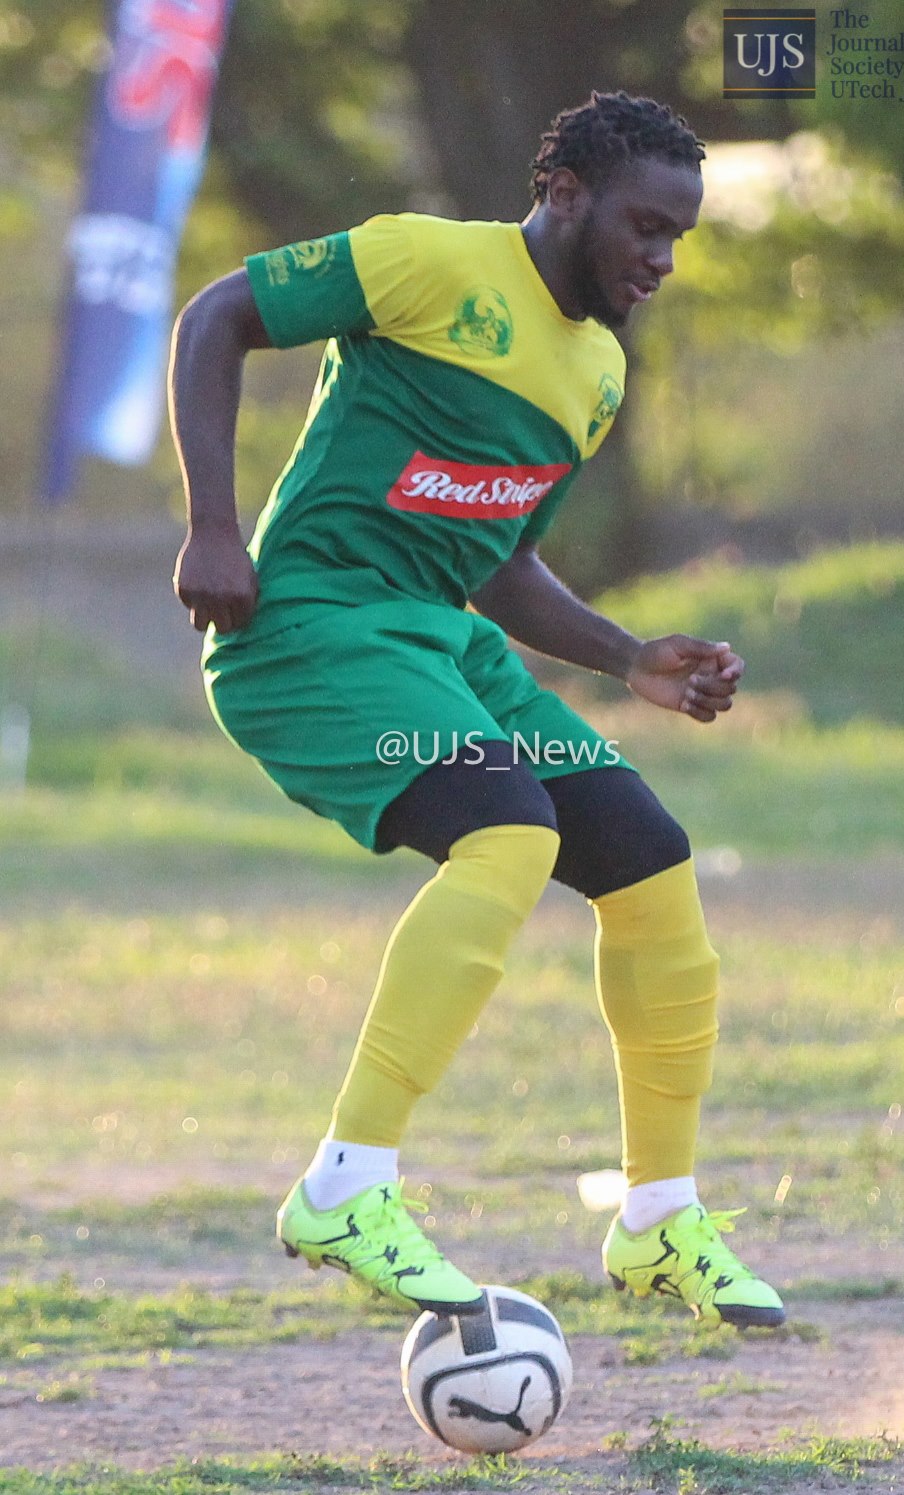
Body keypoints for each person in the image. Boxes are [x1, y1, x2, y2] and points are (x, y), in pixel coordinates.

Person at [169, 90, 785, 1330]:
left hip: (439, 639)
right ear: (565, 194)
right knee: (508, 829)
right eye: (646, 227)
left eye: (679, 237)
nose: (663, 260)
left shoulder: (596, 373)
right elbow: (216, 315)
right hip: (307, 627)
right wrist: (212, 527)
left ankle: (658, 1219)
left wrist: (626, 658)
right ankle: (346, 1186)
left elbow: (498, 561)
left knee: (650, 862)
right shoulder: (425, 261)